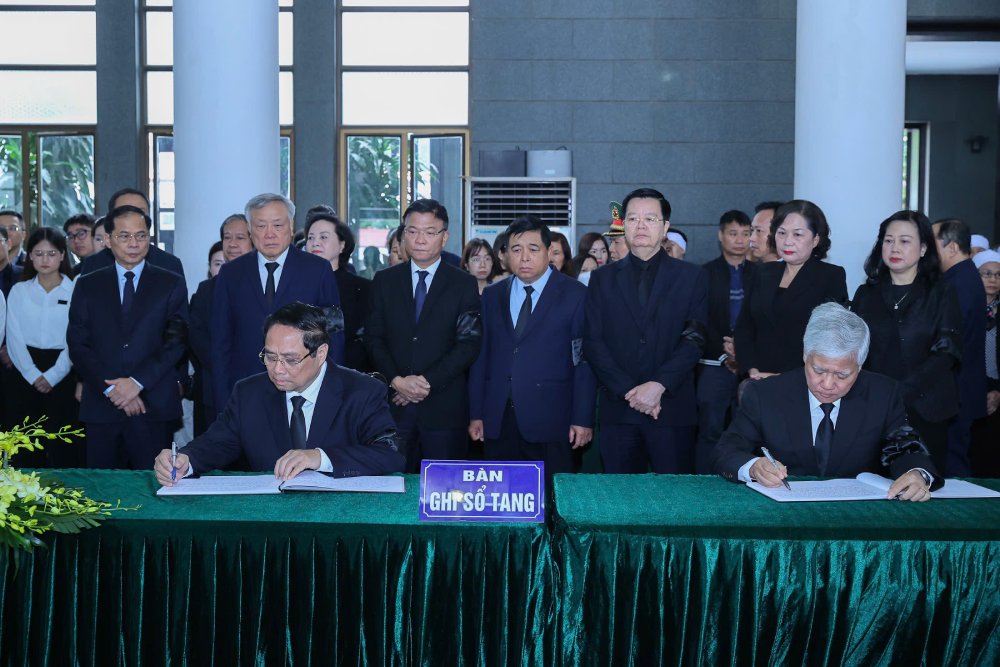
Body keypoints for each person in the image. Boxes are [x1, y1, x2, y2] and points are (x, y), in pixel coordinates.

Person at [155, 302, 405, 484]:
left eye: (290, 359)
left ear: (321, 353)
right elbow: (217, 443)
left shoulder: (361, 391)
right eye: (270, 357)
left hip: (339, 519)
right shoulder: (249, 393)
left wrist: (320, 457)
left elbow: (390, 454)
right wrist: (185, 460)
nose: (277, 369)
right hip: (270, 521)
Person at [713, 303, 940, 501]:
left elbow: (904, 448)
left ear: (860, 367)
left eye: (842, 375)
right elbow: (727, 449)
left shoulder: (883, 393)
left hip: (857, 517)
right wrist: (753, 467)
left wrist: (917, 473)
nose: (828, 384)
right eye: (818, 370)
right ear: (805, 355)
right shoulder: (766, 394)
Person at [583, 187, 708, 473]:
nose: (640, 226)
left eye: (650, 219)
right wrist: (632, 393)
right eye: (633, 219)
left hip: (671, 408)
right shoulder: (601, 279)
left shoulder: (692, 277)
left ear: (665, 227)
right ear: (623, 225)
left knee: (675, 504)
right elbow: (593, 340)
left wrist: (657, 386)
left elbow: (695, 339)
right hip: (619, 409)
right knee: (620, 503)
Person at [468, 215, 596, 475]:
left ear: (549, 252)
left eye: (533, 249)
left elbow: (584, 360)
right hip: (498, 417)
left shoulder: (575, 294)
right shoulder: (492, 296)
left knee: (549, 503)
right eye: (516, 249)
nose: (524, 257)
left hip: (552, 420)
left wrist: (582, 418)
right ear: (504, 255)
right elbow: (481, 357)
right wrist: (476, 413)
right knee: (502, 499)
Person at [67, 205, 188, 468]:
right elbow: (78, 344)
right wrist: (113, 388)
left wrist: (137, 382)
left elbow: (176, 341)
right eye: (124, 236)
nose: (134, 243)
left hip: (152, 403)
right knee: (101, 491)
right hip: (102, 404)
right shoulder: (88, 284)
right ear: (108, 240)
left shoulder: (171, 282)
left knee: (153, 488)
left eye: (141, 235)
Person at [365, 198, 482, 472]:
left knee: (445, 489)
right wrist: (396, 380)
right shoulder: (384, 281)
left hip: (444, 408)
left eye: (430, 232)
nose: (420, 239)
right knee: (393, 487)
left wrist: (424, 383)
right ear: (403, 233)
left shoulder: (463, 284)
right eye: (412, 231)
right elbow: (373, 338)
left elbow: (468, 343)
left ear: (444, 237)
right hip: (393, 407)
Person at [211, 193, 344, 412]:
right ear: (250, 231)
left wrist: (332, 391)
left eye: (278, 225)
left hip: (303, 390)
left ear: (291, 227)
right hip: (246, 390)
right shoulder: (231, 274)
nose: (270, 234)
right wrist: (224, 400)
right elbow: (220, 343)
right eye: (261, 226)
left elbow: (334, 334)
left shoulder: (318, 269)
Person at [851, 210, 961, 472]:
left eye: (904, 241)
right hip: (874, 407)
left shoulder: (941, 291)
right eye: (888, 241)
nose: (894, 248)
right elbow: (853, 347)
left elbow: (947, 351)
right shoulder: (866, 293)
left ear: (923, 248)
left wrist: (904, 391)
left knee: (924, 484)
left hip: (926, 407)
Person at [734, 199, 847, 379]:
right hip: (756, 378)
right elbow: (744, 327)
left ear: (816, 239)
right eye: (782, 233)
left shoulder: (830, 276)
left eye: (798, 235)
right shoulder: (763, 272)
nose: (788, 241)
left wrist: (785, 376)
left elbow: (829, 337)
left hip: (802, 380)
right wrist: (752, 369)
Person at [4, 229, 81, 468]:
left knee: (63, 441)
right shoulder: (20, 290)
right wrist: (32, 373)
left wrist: (53, 375)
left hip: (64, 370)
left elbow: (76, 336)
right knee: (25, 441)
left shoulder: (75, 290)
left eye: (51, 253)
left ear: (62, 256)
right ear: (31, 257)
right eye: (38, 253)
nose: (45, 260)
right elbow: (13, 335)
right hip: (23, 371)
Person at [695, 209, 754, 473]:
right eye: (733, 233)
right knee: (709, 429)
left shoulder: (763, 274)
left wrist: (743, 353)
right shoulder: (703, 274)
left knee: (750, 431)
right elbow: (699, 321)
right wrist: (725, 353)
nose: (739, 240)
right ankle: (704, 484)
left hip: (751, 367)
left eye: (745, 233)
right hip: (712, 364)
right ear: (721, 236)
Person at [188, 215, 254, 435]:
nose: (232, 244)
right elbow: (198, 340)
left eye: (240, 238)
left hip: (261, 386)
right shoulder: (206, 290)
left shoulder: (266, 284)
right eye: (227, 237)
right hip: (214, 389)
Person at [932, 218, 987, 476]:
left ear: (952, 248)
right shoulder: (964, 276)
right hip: (960, 388)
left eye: (931, 242)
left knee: (953, 462)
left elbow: (953, 340)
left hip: (957, 390)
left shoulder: (958, 283)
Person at [305, 212, 371, 371]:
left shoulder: (362, 288)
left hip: (349, 371)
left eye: (324, 237)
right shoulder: (296, 283)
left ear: (342, 245)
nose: (315, 243)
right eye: (310, 238)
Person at [78, 189, 185, 279]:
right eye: (125, 212)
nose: (134, 218)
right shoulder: (94, 265)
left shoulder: (169, 264)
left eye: (141, 212)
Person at [971, 249, 1000, 476]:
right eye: (986, 273)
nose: (993, 279)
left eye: (998, 275)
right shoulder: (965, 308)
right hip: (971, 390)